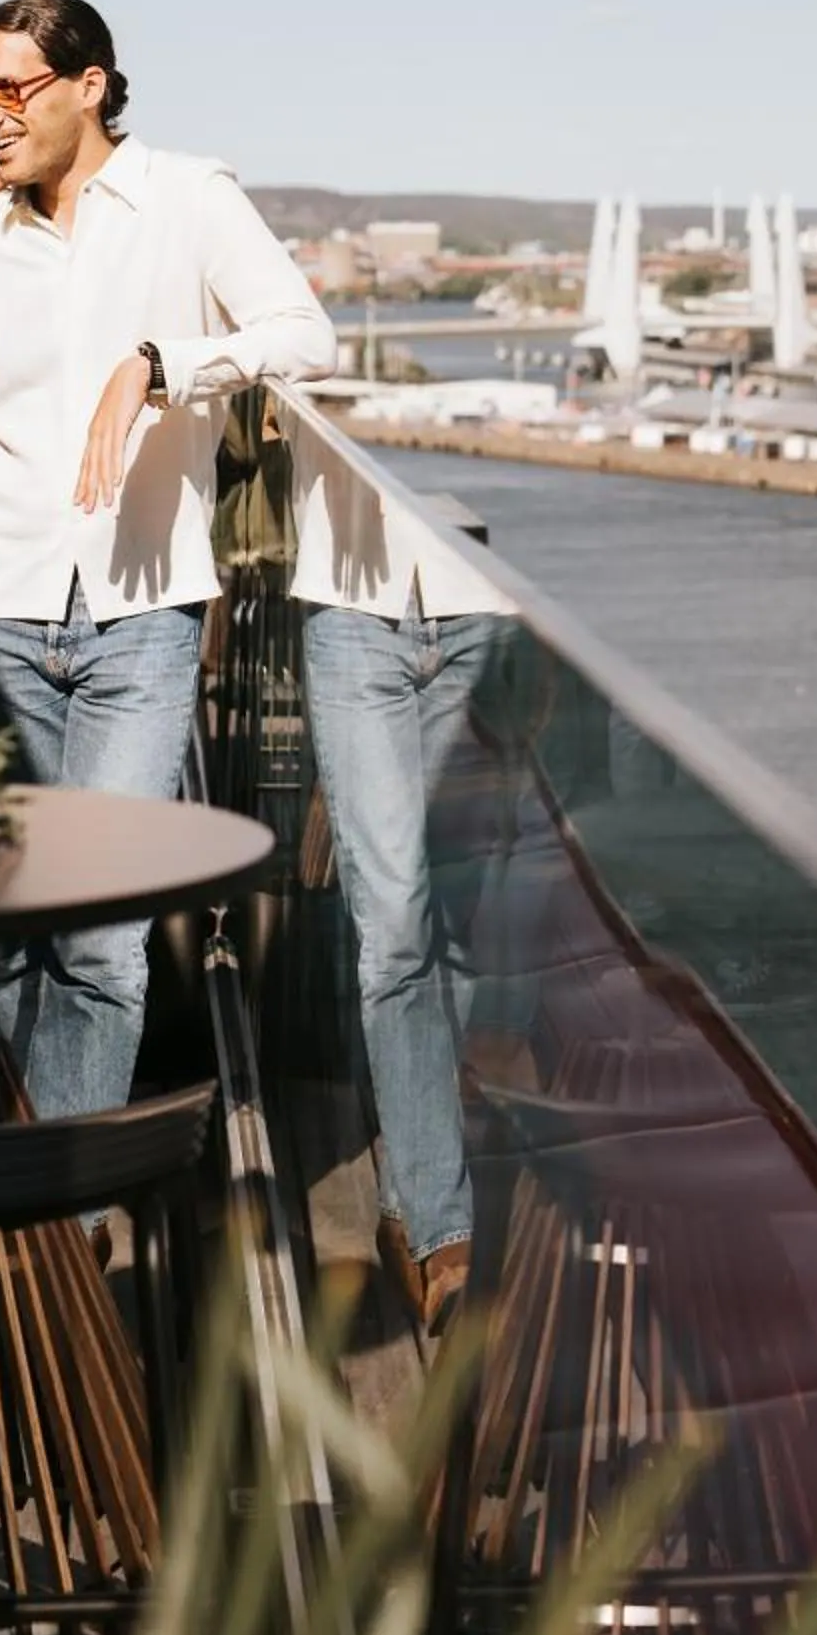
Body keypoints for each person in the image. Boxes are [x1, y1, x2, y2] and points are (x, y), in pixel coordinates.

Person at [0, 0, 335, 1124]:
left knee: (99, 939)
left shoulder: (187, 198)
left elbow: (306, 336)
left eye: (13, 90)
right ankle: (11, 1191)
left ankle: (69, 1218)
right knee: (6, 929)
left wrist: (158, 363)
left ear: (88, 84)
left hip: (141, 620)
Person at [289, 440, 518, 1337]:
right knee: (392, 928)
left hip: (484, 596)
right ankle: (437, 1224)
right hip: (353, 603)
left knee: (454, 924)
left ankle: (405, 1188)